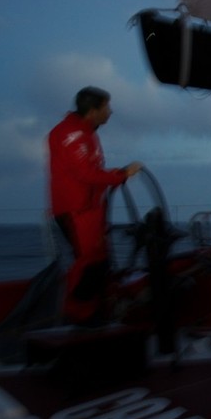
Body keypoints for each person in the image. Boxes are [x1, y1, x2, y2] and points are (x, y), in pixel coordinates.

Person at [48, 86, 141, 325]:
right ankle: (79, 317)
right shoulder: (73, 135)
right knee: (89, 263)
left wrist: (117, 174)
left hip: (89, 210)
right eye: (106, 107)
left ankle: (97, 313)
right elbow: (86, 174)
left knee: (99, 261)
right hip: (77, 211)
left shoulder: (86, 132)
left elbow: (91, 173)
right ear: (93, 110)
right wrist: (120, 176)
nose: (110, 112)